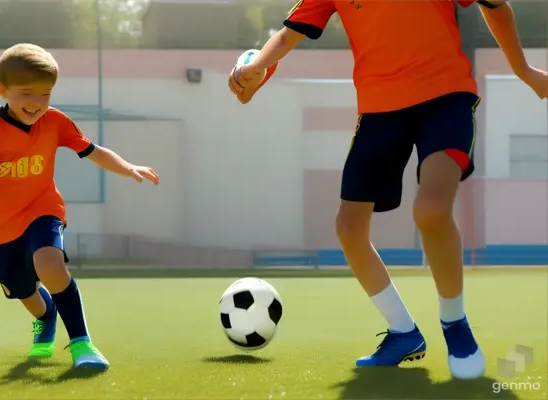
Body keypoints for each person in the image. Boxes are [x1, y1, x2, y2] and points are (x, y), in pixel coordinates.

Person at [228, 0, 547, 379]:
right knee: (349, 227)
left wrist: (525, 72)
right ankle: (402, 333)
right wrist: (256, 68)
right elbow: (289, 33)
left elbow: (497, 8)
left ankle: (455, 324)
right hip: (379, 110)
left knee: (431, 210)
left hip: (445, 97)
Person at [0, 43, 160, 370]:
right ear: (3, 90)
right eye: (27, 94)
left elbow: (93, 150)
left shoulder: (56, 122)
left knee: (50, 265)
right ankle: (46, 317)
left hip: (43, 210)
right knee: (24, 292)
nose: (37, 103)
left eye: (45, 94)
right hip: (0, 228)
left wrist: (127, 166)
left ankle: (82, 345)